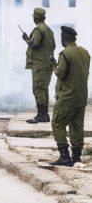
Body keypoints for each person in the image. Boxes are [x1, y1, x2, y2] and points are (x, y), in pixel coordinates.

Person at [49, 26, 90, 166]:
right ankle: (76, 157)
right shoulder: (85, 52)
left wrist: (54, 66)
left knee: (57, 123)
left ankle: (64, 156)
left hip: (68, 96)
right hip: (82, 96)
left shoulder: (65, 54)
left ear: (63, 38)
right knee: (77, 126)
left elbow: (62, 74)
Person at [22, 8, 56, 124]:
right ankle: (44, 115)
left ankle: (41, 115)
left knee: (37, 89)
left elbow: (35, 44)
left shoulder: (38, 29)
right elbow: (53, 46)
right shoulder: (49, 30)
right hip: (47, 64)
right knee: (43, 89)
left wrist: (27, 39)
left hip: (39, 64)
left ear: (35, 18)